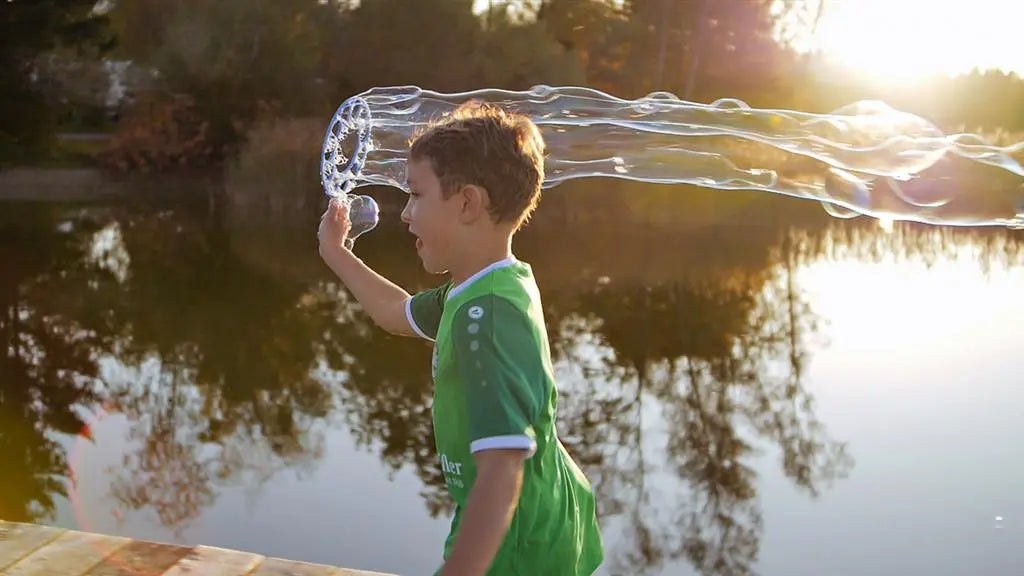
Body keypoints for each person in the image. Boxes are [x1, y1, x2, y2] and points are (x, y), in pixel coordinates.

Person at [317, 102, 604, 576]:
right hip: (535, 519)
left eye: (416, 195)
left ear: (468, 203)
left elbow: (502, 467)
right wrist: (335, 252)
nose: (406, 214)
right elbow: (394, 312)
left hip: (515, 544)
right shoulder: (485, 287)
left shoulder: (483, 315)